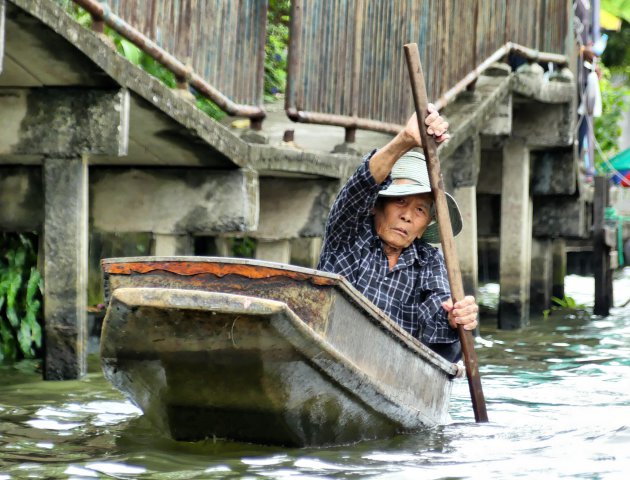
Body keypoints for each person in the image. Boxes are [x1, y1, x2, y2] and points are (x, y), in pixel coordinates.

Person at [318, 105, 479, 363]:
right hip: (331, 353)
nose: (407, 216)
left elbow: (434, 321)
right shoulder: (349, 235)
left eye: (419, 210)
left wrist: (454, 317)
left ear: (425, 225)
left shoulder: (428, 261)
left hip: (390, 369)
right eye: (400, 202)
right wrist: (405, 140)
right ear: (377, 206)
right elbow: (359, 189)